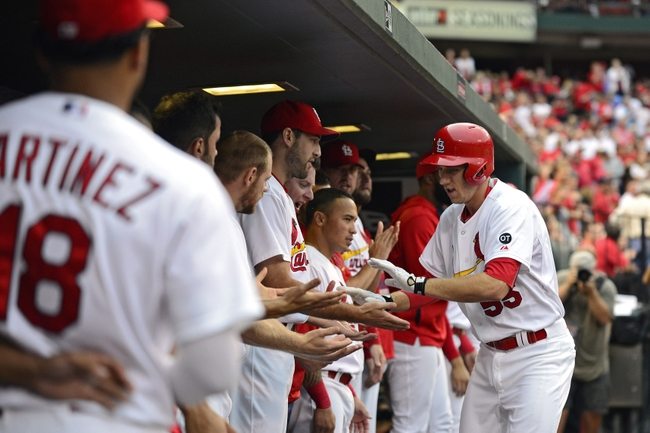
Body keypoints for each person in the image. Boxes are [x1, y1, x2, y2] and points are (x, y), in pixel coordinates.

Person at [0, 1, 264, 432]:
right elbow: (212, 369)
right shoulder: (185, 183)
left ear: (42, 52)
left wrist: (34, 369)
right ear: (139, 54)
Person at [370, 122, 576, 433]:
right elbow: (427, 287)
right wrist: (383, 302)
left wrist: (420, 284)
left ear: (478, 169)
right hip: (490, 352)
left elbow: (495, 284)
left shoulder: (510, 205)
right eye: (440, 170)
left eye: (452, 169)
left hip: (537, 352)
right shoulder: (451, 217)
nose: (443, 179)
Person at [386, 157, 470, 433]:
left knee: (442, 425)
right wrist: (457, 355)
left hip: (428, 335)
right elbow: (428, 287)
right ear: (429, 179)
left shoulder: (427, 214)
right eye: (442, 175)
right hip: (413, 334)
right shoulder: (419, 216)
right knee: (411, 426)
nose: (448, 182)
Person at [289, 188, 372, 433]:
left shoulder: (330, 264)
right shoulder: (309, 263)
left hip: (337, 386)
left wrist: (351, 392)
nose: (354, 230)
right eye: (347, 219)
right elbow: (302, 337)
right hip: (318, 390)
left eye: (355, 221)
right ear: (320, 219)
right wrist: (322, 402)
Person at [557, 251, 616, 433]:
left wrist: (591, 293)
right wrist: (568, 285)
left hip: (594, 366)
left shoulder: (604, 286)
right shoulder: (561, 278)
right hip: (562, 364)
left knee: (592, 420)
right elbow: (547, 309)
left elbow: (605, 318)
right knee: (555, 418)